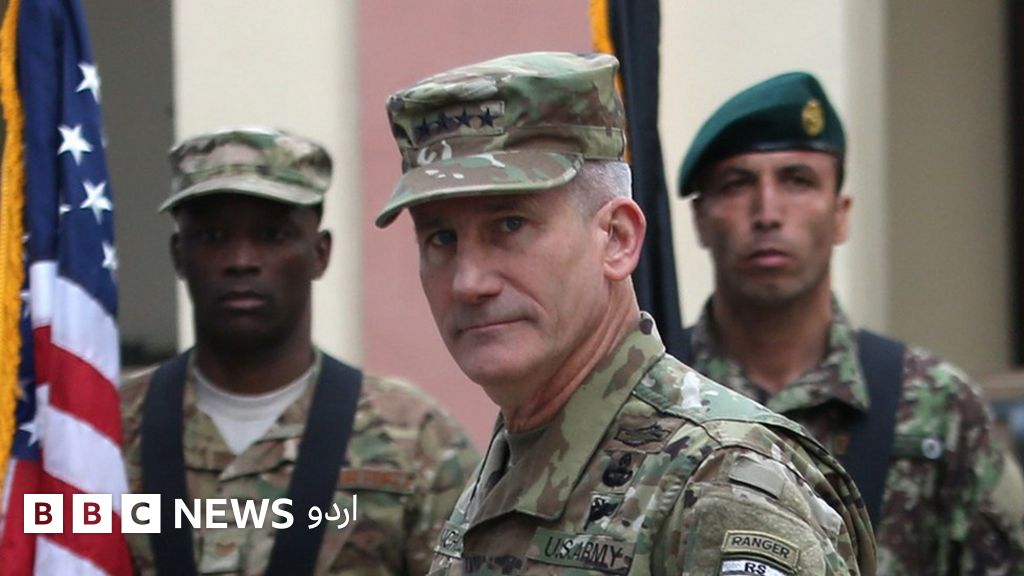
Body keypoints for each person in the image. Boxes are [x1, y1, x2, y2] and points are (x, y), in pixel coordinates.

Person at [374, 51, 876, 575]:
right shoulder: (509, 464)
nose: (469, 282)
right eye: (441, 238)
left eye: (510, 225)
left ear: (616, 239)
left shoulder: (718, 483)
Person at [677, 71, 1024, 574]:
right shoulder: (653, 399)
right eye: (737, 184)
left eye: (797, 180)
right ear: (700, 220)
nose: (767, 212)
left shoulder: (936, 409)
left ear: (840, 214)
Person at [120, 127, 479, 575]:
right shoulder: (105, 430)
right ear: (179, 254)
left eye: (272, 235)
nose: (241, 260)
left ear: (320, 253)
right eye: (213, 237)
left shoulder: (416, 440)